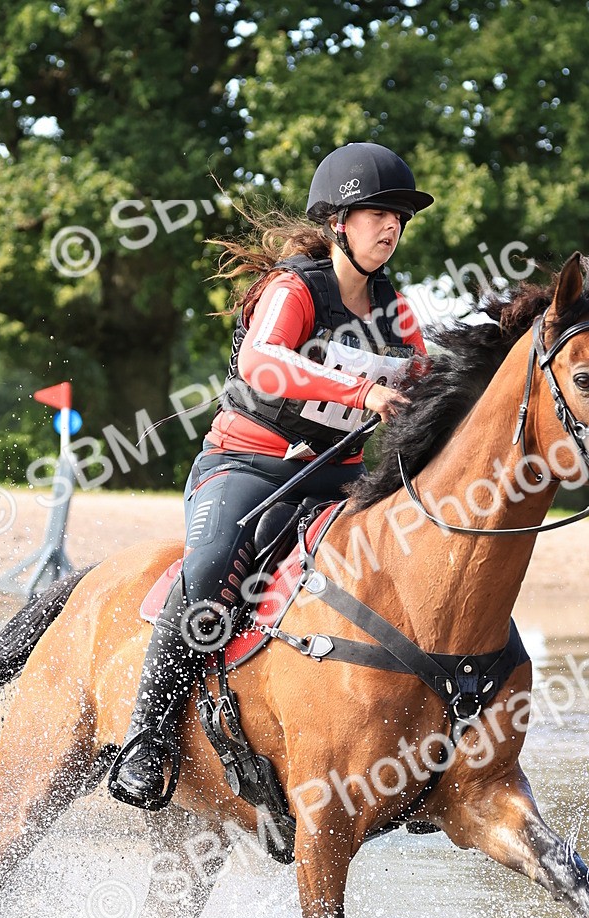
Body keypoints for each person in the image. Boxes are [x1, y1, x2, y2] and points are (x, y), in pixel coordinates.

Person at [108, 142, 434, 809]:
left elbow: (430, 381)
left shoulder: (395, 311)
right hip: (244, 468)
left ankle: (417, 754)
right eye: (377, 212)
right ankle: (147, 739)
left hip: (336, 482)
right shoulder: (293, 288)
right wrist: (363, 393)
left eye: (398, 216)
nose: (390, 227)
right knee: (211, 567)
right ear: (339, 222)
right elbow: (263, 365)